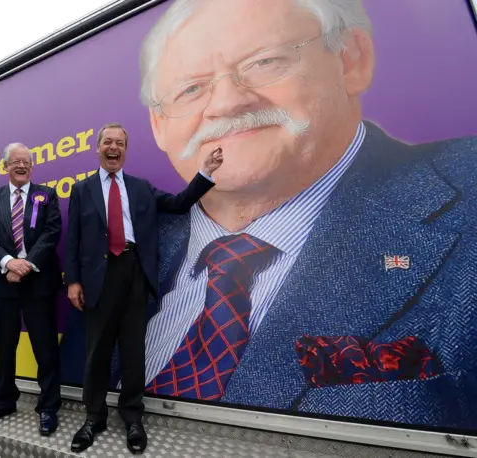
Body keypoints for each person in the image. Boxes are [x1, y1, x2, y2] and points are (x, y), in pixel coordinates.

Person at [61, 0, 477, 430]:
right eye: (191, 89)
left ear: (352, 60)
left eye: (264, 61)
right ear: (159, 126)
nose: (226, 104)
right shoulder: (136, 245)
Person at [64, 122, 223, 453]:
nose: (113, 147)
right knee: (97, 352)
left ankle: (132, 417)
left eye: (120, 143)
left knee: (134, 350)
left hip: (135, 272)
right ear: (98, 148)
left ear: (125, 150)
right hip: (98, 277)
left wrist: (204, 173)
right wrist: (74, 281)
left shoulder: (140, 188)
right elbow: (73, 239)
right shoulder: (82, 190)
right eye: (107, 141)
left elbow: (179, 204)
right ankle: (94, 418)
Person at [0, 142, 64, 436]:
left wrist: (26, 264)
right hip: (3, 284)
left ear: (32, 167)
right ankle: (3, 402)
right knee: (4, 347)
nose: (22, 166)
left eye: (27, 161)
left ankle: (48, 407)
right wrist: (9, 263)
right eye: (16, 161)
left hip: (38, 283)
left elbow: (52, 232)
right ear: (5, 166)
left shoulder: (45, 194)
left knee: (46, 348)